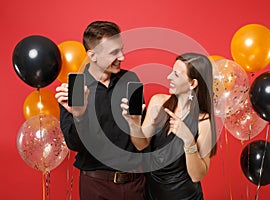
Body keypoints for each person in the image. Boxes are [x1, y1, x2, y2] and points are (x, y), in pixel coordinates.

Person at [55, 21, 145, 200]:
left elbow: (142, 141)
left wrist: (136, 123)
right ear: (92, 55)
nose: (122, 57)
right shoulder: (74, 90)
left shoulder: (130, 79)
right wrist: (79, 115)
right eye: (114, 52)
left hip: (136, 184)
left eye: (121, 50)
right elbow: (74, 144)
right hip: (96, 186)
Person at [121, 53, 217, 200]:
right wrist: (133, 123)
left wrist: (189, 140)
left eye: (176, 75)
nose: (169, 77)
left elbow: (197, 176)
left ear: (192, 84)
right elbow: (141, 145)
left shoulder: (203, 121)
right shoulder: (158, 102)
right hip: (152, 194)